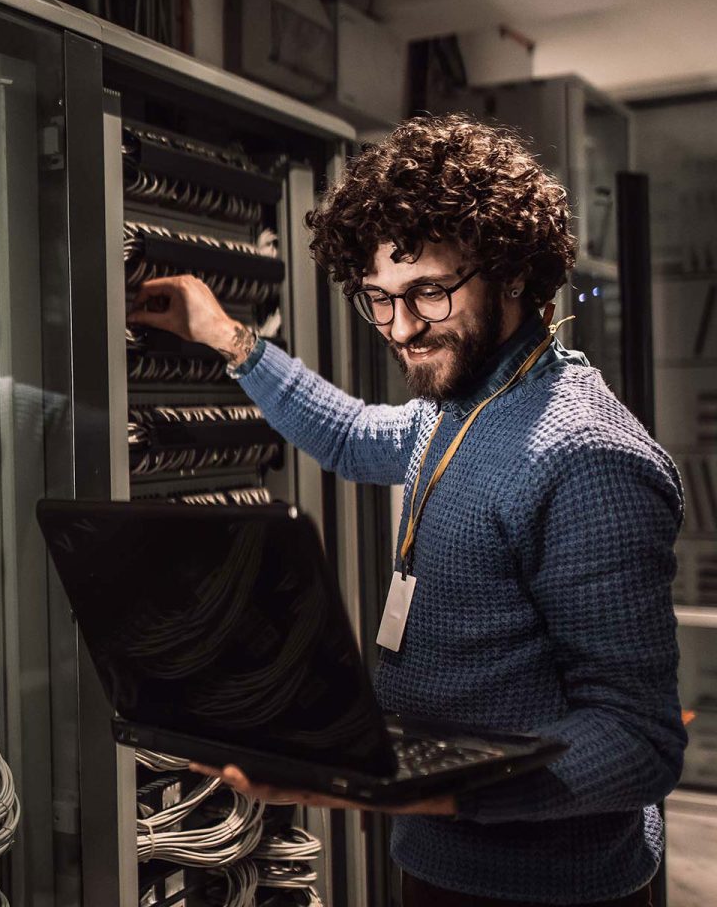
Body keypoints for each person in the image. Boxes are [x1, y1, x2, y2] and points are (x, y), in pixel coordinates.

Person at [126, 114, 686, 907]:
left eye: (428, 291)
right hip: (437, 856)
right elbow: (353, 436)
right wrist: (228, 339)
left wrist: (398, 790)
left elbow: (640, 742)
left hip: (554, 888)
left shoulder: (587, 460)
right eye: (378, 299)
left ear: (514, 272)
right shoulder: (461, 407)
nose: (401, 328)